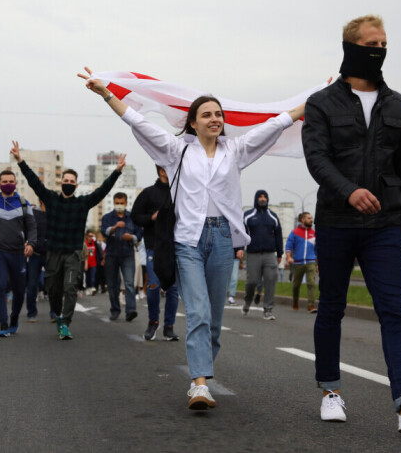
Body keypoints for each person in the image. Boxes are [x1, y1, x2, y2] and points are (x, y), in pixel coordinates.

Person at [80, 66, 307, 410]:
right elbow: (139, 123)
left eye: (218, 114)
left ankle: (203, 370)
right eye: (207, 114)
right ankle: (199, 384)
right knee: (198, 311)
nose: (215, 119)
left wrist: (308, 101)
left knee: (213, 320)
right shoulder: (176, 152)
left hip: (222, 240)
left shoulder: (237, 150)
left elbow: (275, 124)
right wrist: (107, 93)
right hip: (187, 240)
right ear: (192, 122)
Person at [302, 15, 401, 432]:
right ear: (352, 47)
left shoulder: (395, 104)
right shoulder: (322, 103)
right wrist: (349, 190)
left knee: (393, 310)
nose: (380, 50)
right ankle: (330, 390)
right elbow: (317, 158)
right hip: (336, 221)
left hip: (385, 225)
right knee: (332, 308)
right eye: (372, 43)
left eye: (384, 43)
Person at [12, 141, 124, 340]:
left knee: (70, 288)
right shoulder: (51, 199)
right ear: (61, 182)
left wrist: (116, 171)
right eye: (66, 180)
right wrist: (20, 160)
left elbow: (102, 191)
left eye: (72, 181)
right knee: (53, 290)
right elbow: (34, 182)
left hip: (73, 253)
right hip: (53, 252)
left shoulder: (82, 203)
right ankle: (56, 312)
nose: (69, 183)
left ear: (76, 185)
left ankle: (65, 323)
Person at [0, 170, 37, 337]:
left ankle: (14, 318)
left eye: (11, 181)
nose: (8, 184)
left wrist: (31, 244)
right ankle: (3, 323)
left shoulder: (24, 204)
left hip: (18, 253)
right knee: (0, 286)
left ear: (16, 183)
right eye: (4, 181)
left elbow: (32, 227)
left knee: (19, 290)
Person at [131, 165, 180, 341]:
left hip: (176, 246)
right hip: (154, 246)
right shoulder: (148, 193)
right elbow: (135, 216)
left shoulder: (180, 191)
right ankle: (153, 322)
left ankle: (169, 327)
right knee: (153, 286)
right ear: (161, 171)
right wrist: (151, 218)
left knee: (173, 289)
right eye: (167, 167)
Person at [101, 192, 143, 322]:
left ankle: (131, 310)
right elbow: (104, 232)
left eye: (121, 203)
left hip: (127, 254)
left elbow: (139, 234)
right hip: (111, 254)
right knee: (112, 284)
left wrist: (132, 237)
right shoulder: (108, 217)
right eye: (117, 203)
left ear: (126, 203)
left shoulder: (132, 217)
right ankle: (115, 310)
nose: (119, 205)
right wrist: (114, 228)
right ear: (114, 203)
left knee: (129, 283)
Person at [242, 190, 283, 320]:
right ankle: (248, 301)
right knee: (252, 281)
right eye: (260, 196)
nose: (263, 199)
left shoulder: (273, 216)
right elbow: (241, 233)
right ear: (256, 199)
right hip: (253, 254)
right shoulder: (248, 215)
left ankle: (268, 310)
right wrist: (239, 249)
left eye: (265, 196)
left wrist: (280, 253)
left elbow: (278, 235)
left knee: (271, 280)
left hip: (270, 254)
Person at [285, 212, 318, 313]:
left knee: (311, 283)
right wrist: (289, 257)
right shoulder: (294, 232)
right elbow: (288, 246)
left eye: (311, 218)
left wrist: (318, 263)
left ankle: (311, 305)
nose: (311, 220)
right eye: (308, 218)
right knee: (296, 285)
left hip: (311, 262)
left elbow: (318, 249)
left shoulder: (314, 233)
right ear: (302, 220)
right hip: (298, 262)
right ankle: (295, 301)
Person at [26, 202, 47, 321]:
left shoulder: (55, 213)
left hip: (51, 254)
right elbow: (28, 229)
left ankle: (54, 313)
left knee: (53, 284)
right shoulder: (33, 213)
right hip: (35, 253)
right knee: (32, 285)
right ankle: (31, 312)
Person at [84, 231, 98, 296]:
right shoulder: (84, 244)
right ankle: (88, 288)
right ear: (87, 237)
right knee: (88, 277)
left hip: (93, 264)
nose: (91, 237)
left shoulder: (95, 243)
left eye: (92, 236)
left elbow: (98, 252)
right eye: (89, 236)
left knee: (93, 277)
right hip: (86, 264)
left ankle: (92, 288)